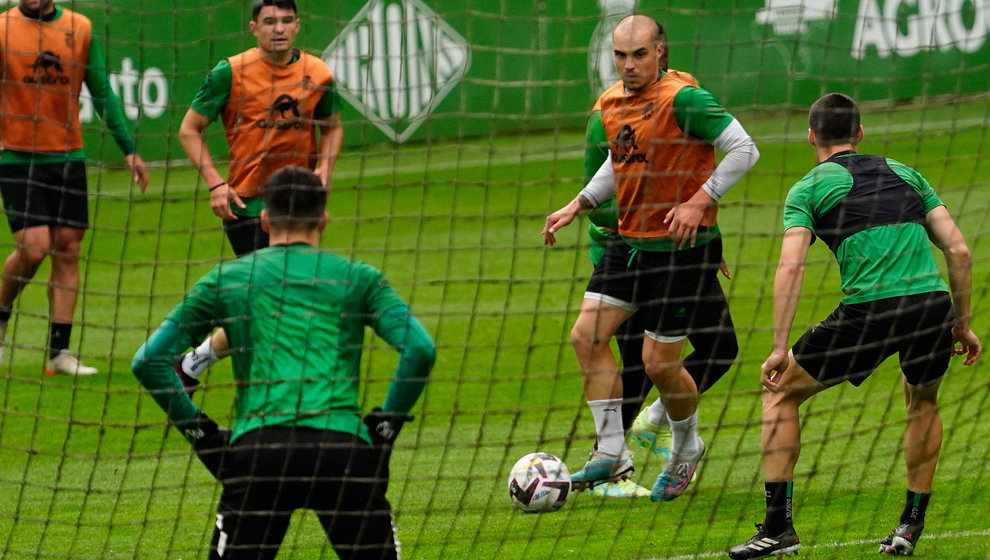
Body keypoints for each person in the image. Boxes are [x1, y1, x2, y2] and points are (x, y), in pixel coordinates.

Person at [132, 166, 436, 560]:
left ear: (263, 218)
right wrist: (385, 427)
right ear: (323, 217)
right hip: (340, 449)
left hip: (260, 453)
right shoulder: (358, 278)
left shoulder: (224, 279)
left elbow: (148, 361)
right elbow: (420, 350)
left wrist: (200, 433)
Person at [728, 93, 981, 559]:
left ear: (811, 136)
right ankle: (909, 526)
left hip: (871, 311)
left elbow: (791, 267)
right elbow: (960, 252)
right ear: (860, 134)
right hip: (931, 306)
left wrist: (780, 347)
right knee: (921, 401)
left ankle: (779, 528)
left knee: (780, 392)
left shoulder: (807, 188)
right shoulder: (907, 172)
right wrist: (961, 324)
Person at [542, 13, 759, 502]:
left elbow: (744, 149)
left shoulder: (684, 98)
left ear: (660, 51)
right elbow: (619, 161)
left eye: (639, 54)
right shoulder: (612, 103)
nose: (629, 64)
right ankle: (612, 451)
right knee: (586, 335)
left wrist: (700, 200)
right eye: (620, 55)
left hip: (680, 252)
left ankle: (686, 448)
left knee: (659, 363)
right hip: (630, 243)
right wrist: (579, 204)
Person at [175, 0, 343, 391]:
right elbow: (188, 130)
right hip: (248, 205)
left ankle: (190, 364)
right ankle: (269, 379)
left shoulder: (317, 72)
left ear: (298, 25)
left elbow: (332, 126)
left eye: (286, 21)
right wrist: (217, 183)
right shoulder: (230, 72)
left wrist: (326, 168)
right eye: (269, 22)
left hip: (299, 205)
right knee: (279, 297)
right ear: (254, 28)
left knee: (272, 301)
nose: (278, 29)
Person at [0, 0, 149, 375]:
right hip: (17, 157)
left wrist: (128, 148)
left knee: (68, 249)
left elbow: (102, 92)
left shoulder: (80, 27)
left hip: (67, 158)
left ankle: (59, 352)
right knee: (33, 250)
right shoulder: (2, 28)